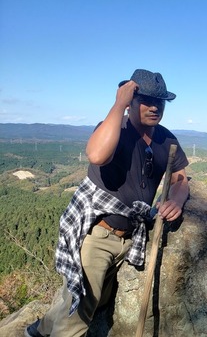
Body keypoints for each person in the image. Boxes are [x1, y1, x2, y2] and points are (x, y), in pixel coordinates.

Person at [25, 69, 190, 337]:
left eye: (160, 102)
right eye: (146, 100)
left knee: (93, 300)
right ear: (131, 101)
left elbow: (181, 176)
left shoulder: (165, 138)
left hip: (130, 236)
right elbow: (97, 154)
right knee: (79, 312)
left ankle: (40, 330)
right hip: (98, 233)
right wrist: (118, 104)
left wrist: (177, 198)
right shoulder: (115, 127)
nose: (155, 107)